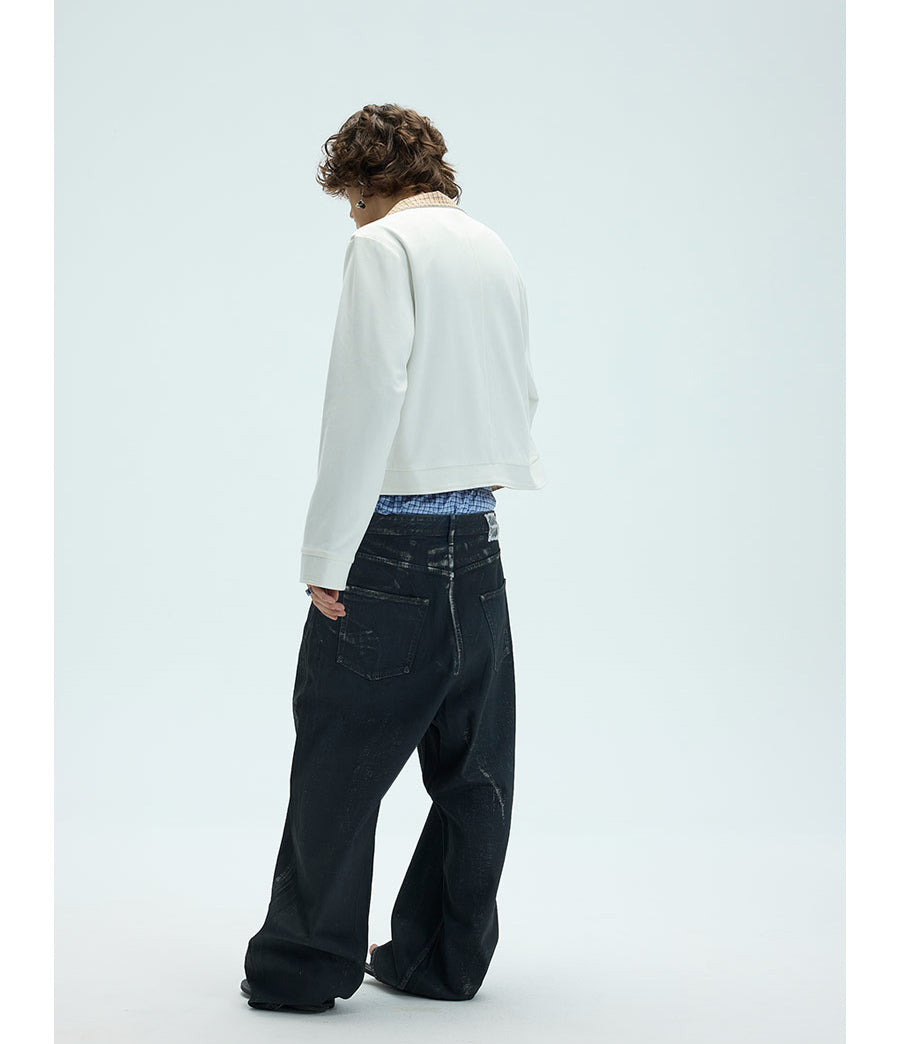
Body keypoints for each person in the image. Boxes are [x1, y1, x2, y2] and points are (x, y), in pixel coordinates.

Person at [241, 102, 547, 1013]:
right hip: (479, 538)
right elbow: (522, 387)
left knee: (337, 763)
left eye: (352, 197)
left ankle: (304, 968)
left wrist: (328, 550)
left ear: (374, 181)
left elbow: (365, 398)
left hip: (391, 547)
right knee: (475, 771)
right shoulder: (492, 247)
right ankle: (442, 959)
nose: (351, 216)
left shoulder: (385, 248)